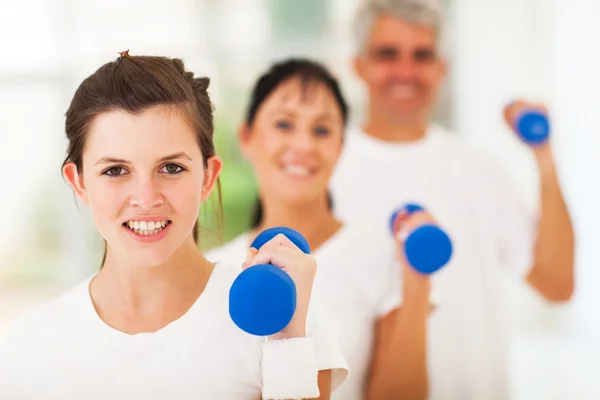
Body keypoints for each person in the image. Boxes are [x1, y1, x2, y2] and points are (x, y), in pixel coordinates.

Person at [0, 52, 350, 400]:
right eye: (115, 170)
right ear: (78, 183)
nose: (146, 197)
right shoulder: (29, 348)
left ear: (207, 177)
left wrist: (286, 344)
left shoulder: (285, 318)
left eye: (171, 168)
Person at [329, 0, 576, 399]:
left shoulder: (480, 171)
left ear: (441, 68)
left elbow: (557, 283)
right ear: (358, 65)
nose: (406, 71)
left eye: (422, 55)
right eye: (388, 54)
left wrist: (543, 155)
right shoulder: (327, 173)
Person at [206, 58, 435, 400]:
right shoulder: (211, 269)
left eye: (322, 130)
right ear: (247, 137)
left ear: (342, 146)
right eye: (284, 124)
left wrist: (418, 277)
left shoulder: (386, 258)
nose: (303, 145)